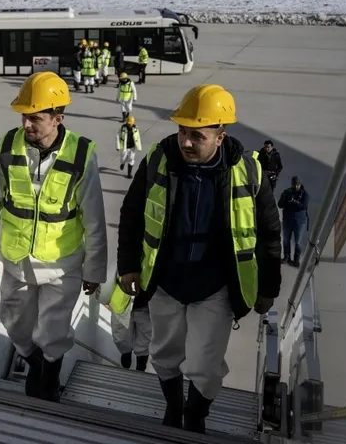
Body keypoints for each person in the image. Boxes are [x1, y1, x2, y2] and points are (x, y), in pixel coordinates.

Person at [116, 84, 282, 432]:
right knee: (164, 355)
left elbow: (269, 233)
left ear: (220, 137)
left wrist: (268, 288)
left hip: (214, 288)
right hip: (166, 284)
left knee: (205, 367)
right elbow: (131, 214)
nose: (186, 142)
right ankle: (173, 407)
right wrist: (128, 266)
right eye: (182, 132)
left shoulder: (249, 171)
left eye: (197, 136)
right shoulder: (159, 160)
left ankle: (195, 415)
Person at [0, 71, 108, 402]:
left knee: (53, 330)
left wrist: (94, 270)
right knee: (15, 324)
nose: (26, 124)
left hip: (62, 264)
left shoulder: (81, 155)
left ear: (58, 118)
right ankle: (36, 362)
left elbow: (94, 219)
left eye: (34, 118)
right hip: (16, 259)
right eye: (23, 116)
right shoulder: (6, 148)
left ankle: (48, 377)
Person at [110, 283, 154, 371]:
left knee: (146, 334)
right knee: (121, 333)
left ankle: (141, 360)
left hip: (147, 296)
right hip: (122, 294)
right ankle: (126, 353)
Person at [277, 176, 309, 267]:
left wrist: (293, 201)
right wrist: (284, 197)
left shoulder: (304, 194)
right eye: (294, 185)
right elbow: (280, 205)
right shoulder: (287, 192)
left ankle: (296, 259)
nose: (296, 187)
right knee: (286, 240)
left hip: (299, 222)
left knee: (298, 242)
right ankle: (286, 256)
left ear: (300, 184)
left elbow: (303, 206)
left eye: (298, 185)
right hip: (287, 220)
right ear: (291, 184)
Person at [116, 115, 142, 179]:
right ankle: (122, 163)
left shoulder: (135, 129)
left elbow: (138, 137)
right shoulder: (122, 128)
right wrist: (118, 146)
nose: (129, 125)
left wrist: (139, 147)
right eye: (128, 123)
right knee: (123, 158)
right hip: (124, 147)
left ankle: (129, 174)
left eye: (131, 124)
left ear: (133, 123)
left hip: (132, 147)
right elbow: (117, 137)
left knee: (131, 159)